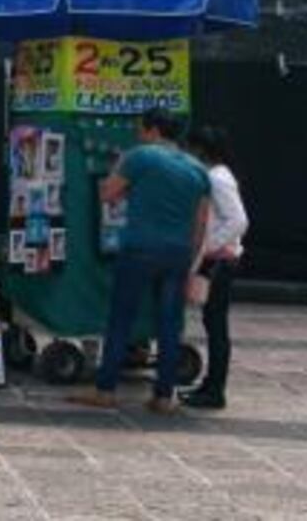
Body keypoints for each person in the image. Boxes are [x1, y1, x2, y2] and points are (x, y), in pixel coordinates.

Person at [70, 108, 210, 414]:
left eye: (141, 129)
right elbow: (200, 225)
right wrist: (190, 261)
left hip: (140, 248)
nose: (138, 134)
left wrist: (121, 168)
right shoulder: (198, 169)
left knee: (121, 318)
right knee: (170, 324)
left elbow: (108, 194)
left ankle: (105, 389)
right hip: (178, 253)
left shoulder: (140, 157)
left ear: (154, 130)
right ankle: (164, 396)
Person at [181, 126, 248, 410]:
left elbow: (238, 220)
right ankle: (210, 384)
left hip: (220, 260)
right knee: (212, 323)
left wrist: (209, 246)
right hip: (219, 258)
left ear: (200, 150)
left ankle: (215, 389)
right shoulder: (218, 175)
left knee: (216, 324)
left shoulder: (217, 179)